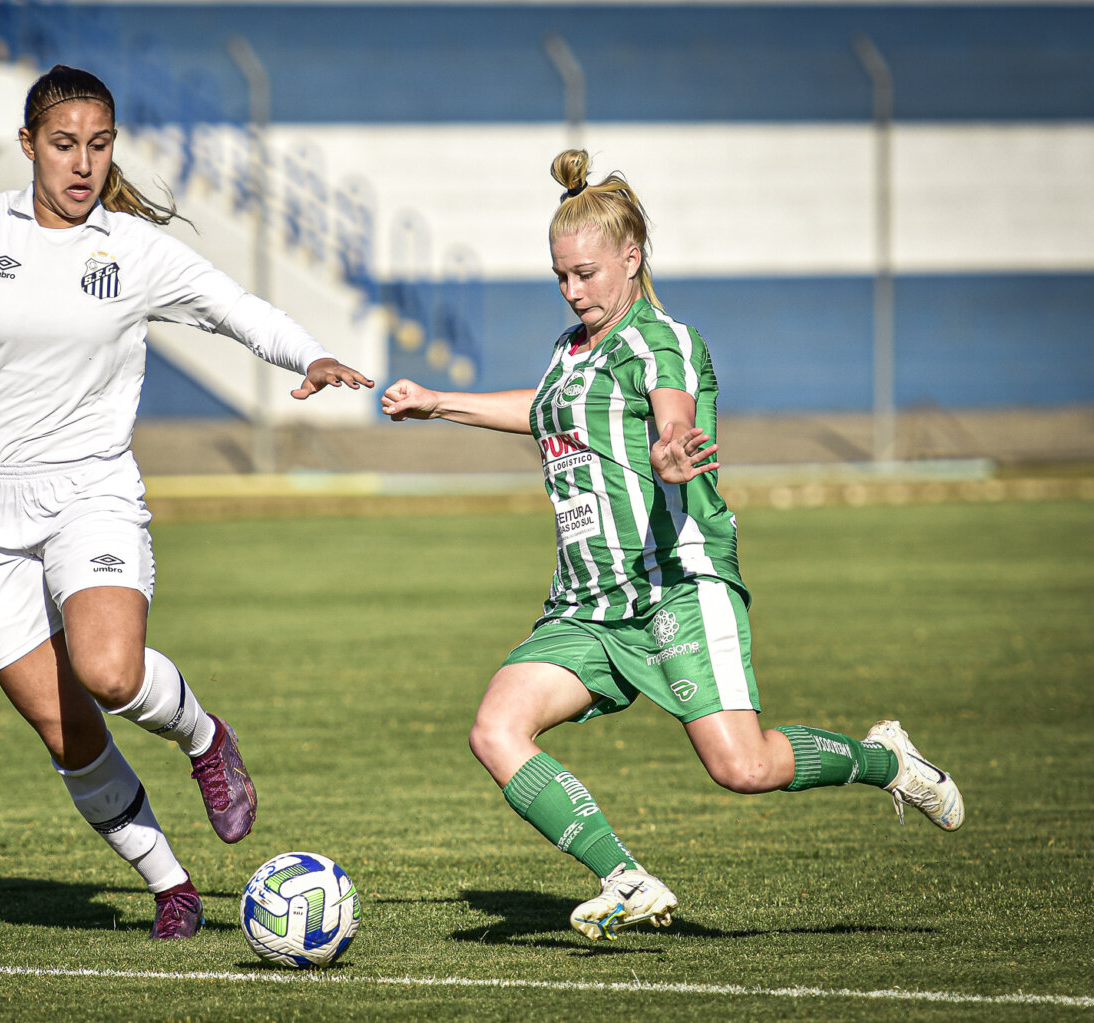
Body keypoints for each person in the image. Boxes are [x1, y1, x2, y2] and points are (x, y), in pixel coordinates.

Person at [0, 65, 373, 940]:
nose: (82, 164)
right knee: (62, 726)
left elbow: (234, 307)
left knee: (109, 673)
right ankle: (171, 884)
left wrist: (309, 356)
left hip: (90, 491)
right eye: (64, 145)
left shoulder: (135, 251)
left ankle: (206, 740)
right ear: (28, 144)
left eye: (98, 146)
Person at [380, 149, 962, 941]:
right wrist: (440, 402)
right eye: (559, 275)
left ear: (631, 257)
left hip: (674, 584)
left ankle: (886, 760)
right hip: (587, 603)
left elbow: (673, 410)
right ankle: (625, 876)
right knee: (495, 727)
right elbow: (550, 408)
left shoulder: (662, 340)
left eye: (585, 273)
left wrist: (672, 446)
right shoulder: (570, 349)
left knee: (744, 766)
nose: (571, 289)